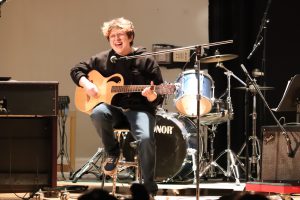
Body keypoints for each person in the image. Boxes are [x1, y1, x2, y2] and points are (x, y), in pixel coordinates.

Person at [70, 17, 164, 196]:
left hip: (140, 110)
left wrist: (153, 95)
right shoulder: (103, 59)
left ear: (130, 37)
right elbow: (76, 70)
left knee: (145, 139)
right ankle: (112, 152)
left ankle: (148, 188)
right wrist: (86, 84)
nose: (116, 39)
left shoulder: (146, 60)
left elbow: (159, 93)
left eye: (120, 34)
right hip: (115, 111)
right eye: (112, 35)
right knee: (97, 112)